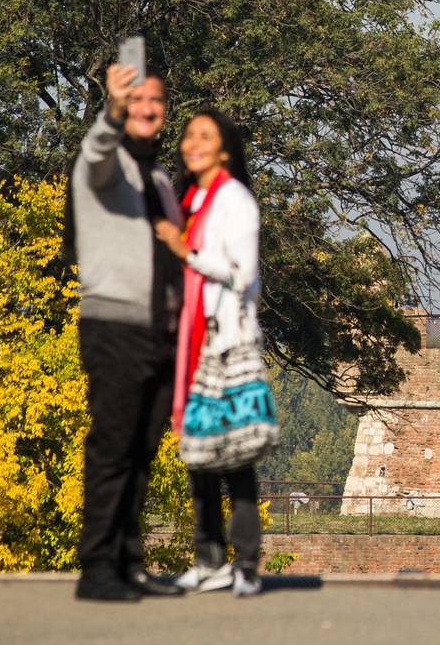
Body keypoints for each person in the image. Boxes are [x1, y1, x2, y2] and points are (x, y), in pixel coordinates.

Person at [71, 62, 187, 601]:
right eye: (136, 102)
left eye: (155, 102)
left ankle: (128, 562)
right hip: (115, 326)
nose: (147, 109)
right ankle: (98, 569)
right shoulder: (108, 162)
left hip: (158, 331)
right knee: (113, 447)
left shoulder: (159, 178)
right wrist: (111, 111)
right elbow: (94, 156)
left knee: (141, 451)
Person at [154, 108, 267, 598]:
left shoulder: (234, 200)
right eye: (188, 136)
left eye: (205, 136)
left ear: (224, 149)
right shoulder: (192, 199)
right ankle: (209, 558)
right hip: (190, 341)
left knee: (234, 455)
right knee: (198, 454)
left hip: (224, 343)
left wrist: (187, 253)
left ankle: (246, 563)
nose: (192, 143)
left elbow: (243, 273)